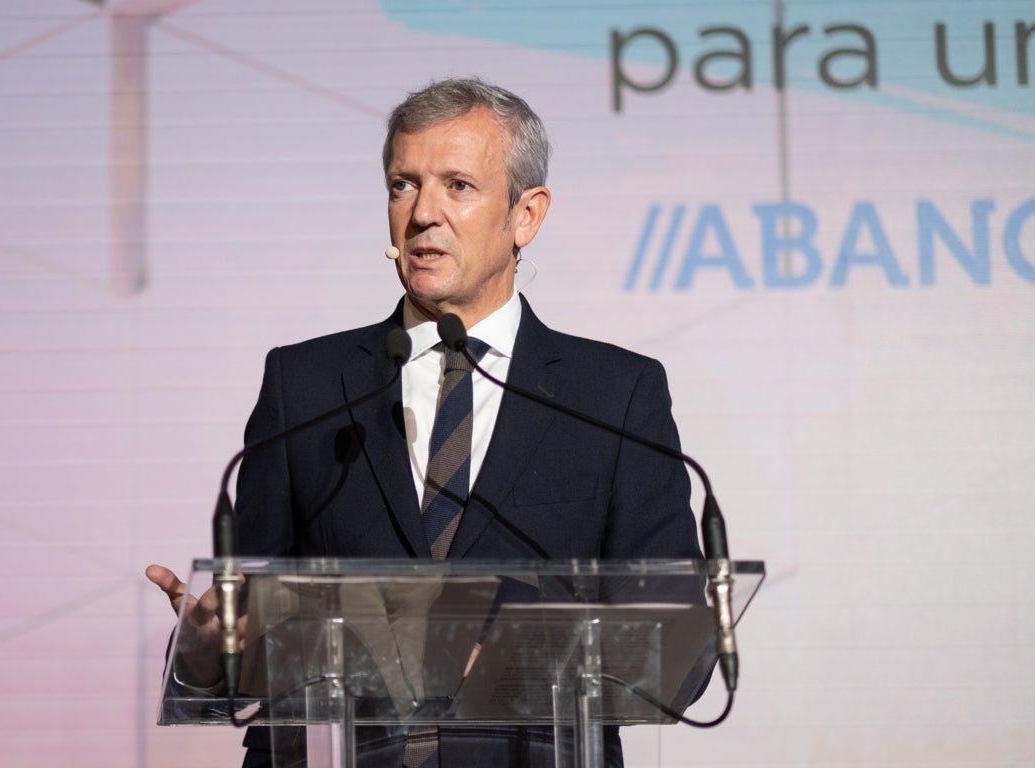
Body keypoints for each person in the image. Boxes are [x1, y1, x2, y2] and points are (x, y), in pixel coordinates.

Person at [147, 77, 703, 767]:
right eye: (402, 185)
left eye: (457, 186)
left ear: (525, 215)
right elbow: (250, 646)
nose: (421, 214)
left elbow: (680, 652)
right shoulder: (305, 386)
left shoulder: (612, 396)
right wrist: (207, 653)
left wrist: (509, 661)